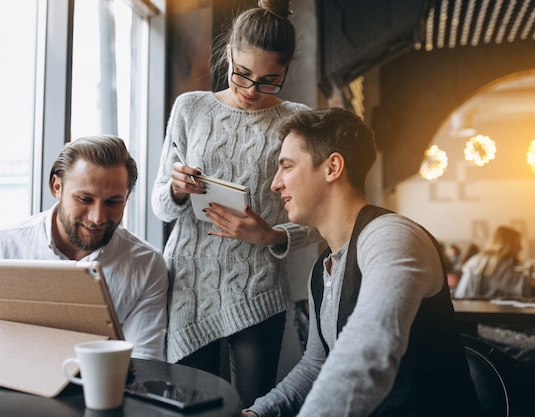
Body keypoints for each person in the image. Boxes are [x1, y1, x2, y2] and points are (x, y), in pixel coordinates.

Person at [242, 108, 481, 417]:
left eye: (286, 166)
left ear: (332, 167)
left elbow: (370, 349)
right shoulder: (322, 270)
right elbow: (316, 366)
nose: (276, 184)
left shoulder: (392, 236)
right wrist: (256, 413)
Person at [151, 0, 320, 405]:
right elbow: (160, 205)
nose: (250, 90)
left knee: (255, 407)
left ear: (285, 73)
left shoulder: (298, 121)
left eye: (268, 80)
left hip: (258, 285)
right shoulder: (190, 108)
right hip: (190, 283)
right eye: (241, 74)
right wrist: (175, 189)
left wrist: (272, 234)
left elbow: (320, 218)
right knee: (194, 408)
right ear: (227, 54)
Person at [0, 135, 168, 366]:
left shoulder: (146, 263)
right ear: (56, 187)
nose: (98, 217)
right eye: (84, 199)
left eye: (113, 202)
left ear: (127, 196)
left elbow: (144, 365)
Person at [453, 225, 532, 299]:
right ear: (508, 245)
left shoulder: (479, 258)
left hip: (463, 308)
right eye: (517, 243)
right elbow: (524, 287)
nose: (521, 247)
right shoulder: (497, 264)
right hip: (475, 310)